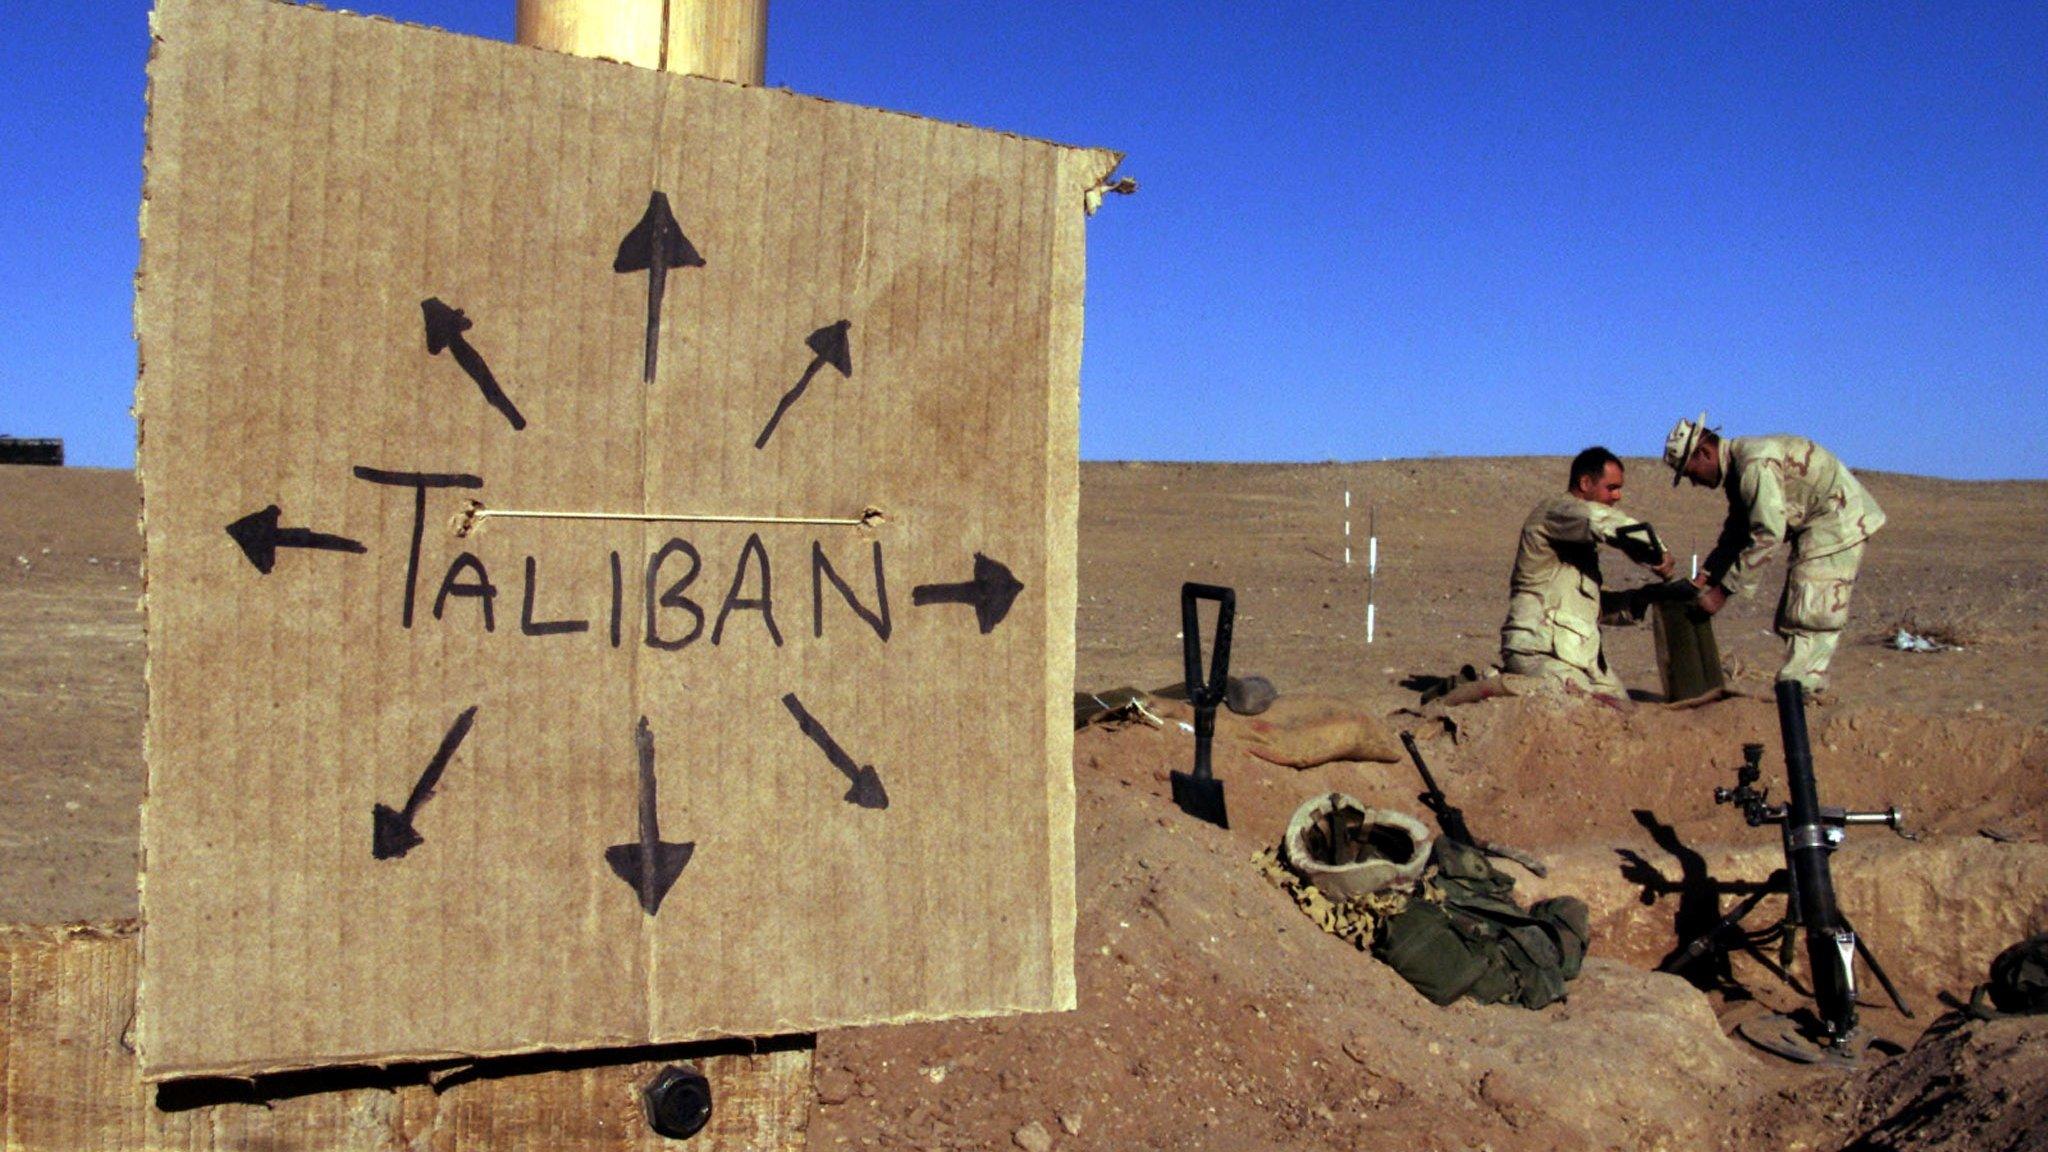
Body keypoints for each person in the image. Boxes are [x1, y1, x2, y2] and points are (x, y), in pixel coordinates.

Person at [1664, 414, 1885, 696]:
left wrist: (1722, 592)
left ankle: (1802, 690)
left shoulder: (1753, 465)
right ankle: (1802, 688)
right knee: (1790, 617)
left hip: (1837, 520)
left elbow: (1767, 534)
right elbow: (1737, 531)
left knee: (1810, 611)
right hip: (1817, 522)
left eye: (1689, 471)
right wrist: (1706, 575)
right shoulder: (1737, 469)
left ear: (1704, 453)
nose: (1693, 481)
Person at [1500, 447, 1675, 695]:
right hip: (1537, 651)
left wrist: (1643, 598)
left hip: (1581, 658)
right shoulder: (1556, 511)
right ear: (1585, 483)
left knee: (1624, 711)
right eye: (1611, 487)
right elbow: (1598, 519)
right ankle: (1489, 686)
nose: (1618, 496)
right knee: (1579, 701)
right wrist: (1655, 549)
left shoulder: (1579, 544)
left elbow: (1591, 608)